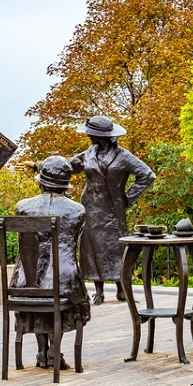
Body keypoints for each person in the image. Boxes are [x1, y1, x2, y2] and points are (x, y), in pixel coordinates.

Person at [9, 156, 90, 369]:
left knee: (38, 289)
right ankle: (54, 351)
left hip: (24, 283)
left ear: (40, 182)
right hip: (64, 281)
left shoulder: (23, 207)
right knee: (65, 296)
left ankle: (42, 352)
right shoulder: (77, 210)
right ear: (65, 184)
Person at [70, 115, 155, 305]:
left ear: (100, 136)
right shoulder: (88, 153)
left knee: (116, 248)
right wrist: (38, 166)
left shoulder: (123, 156)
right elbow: (68, 166)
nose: (88, 137)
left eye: (91, 134)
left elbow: (147, 175)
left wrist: (127, 198)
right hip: (91, 208)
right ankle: (98, 292)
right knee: (92, 248)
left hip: (112, 210)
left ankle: (122, 290)